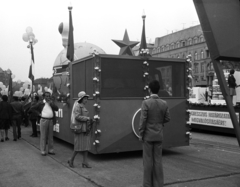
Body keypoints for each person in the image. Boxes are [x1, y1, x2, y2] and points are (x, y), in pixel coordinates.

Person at [139, 80, 170, 187]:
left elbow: (143, 120)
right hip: (159, 135)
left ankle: (147, 184)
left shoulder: (146, 103)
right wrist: (159, 124)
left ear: (149, 90)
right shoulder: (164, 103)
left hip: (148, 136)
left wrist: (141, 133)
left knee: (147, 161)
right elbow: (167, 118)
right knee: (158, 160)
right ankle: (158, 184)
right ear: (158, 90)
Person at [68, 91, 94, 168]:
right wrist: (87, 118)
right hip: (80, 129)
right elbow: (77, 117)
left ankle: (85, 162)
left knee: (86, 146)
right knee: (78, 147)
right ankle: (71, 160)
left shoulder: (81, 106)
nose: (87, 100)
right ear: (81, 99)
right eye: (85, 98)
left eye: (87, 98)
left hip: (85, 129)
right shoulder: (78, 106)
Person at [30, 92, 58, 156]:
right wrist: (38, 114)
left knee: (50, 136)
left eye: (49, 96)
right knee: (43, 136)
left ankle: (50, 150)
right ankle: (43, 150)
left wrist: (51, 103)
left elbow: (56, 108)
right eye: (47, 96)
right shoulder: (41, 103)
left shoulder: (51, 102)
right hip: (43, 120)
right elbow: (32, 108)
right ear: (44, 97)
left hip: (51, 120)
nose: (48, 97)